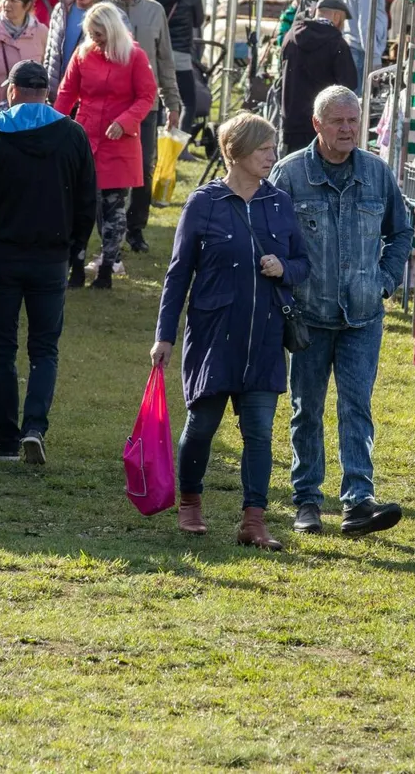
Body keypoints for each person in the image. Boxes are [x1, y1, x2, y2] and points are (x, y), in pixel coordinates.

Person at [152, 112, 308, 549]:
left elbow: (302, 263)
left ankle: (253, 522)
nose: (271, 157)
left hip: (263, 339)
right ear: (235, 153)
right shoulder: (204, 203)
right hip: (213, 336)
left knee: (259, 430)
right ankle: (190, 506)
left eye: (272, 149)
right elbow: (178, 273)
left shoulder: (278, 202)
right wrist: (165, 335)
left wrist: (284, 268)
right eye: (263, 150)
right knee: (202, 425)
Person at [270, 86, 412, 536]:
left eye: (353, 120)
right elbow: (269, 239)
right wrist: (284, 294)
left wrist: (385, 281)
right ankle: (307, 501)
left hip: (363, 317)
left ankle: (358, 501)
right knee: (305, 409)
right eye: (337, 121)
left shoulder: (376, 173)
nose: (348, 128)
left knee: (357, 406)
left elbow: (402, 233)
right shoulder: (289, 175)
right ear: (317, 125)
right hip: (308, 318)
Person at [0, 60, 96, 464]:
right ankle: (34, 427)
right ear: (47, 92)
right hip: (50, 257)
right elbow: (87, 201)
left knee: (0, 349)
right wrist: (73, 248)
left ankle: (5, 438)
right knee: (44, 349)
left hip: (0, 255)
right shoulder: (72, 134)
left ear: (12, 91)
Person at [53, 2, 158, 289]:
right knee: (80, 206)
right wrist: (55, 126)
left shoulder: (134, 56)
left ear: (112, 30)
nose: (95, 39)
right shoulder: (83, 54)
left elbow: (147, 96)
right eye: (91, 34)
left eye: (99, 34)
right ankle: (75, 265)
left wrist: (125, 121)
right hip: (87, 138)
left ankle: (106, 269)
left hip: (119, 142)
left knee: (114, 210)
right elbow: (66, 93)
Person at [105, 0, 180, 252]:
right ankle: (110, 227)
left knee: (143, 170)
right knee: (109, 170)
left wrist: (173, 102)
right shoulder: (102, 9)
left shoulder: (154, 10)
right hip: (110, 105)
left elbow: (165, 60)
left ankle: (136, 229)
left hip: (146, 107)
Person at [277, 0, 357, 156]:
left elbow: (281, 73)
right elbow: (348, 86)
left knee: (290, 175)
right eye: (343, 20)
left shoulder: (291, 37)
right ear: (336, 16)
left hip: (290, 122)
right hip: (322, 126)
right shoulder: (338, 44)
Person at [149, 0, 205, 140]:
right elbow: (198, 21)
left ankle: (155, 141)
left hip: (156, 51)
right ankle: (179, 145)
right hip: (180, 52)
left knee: (154, 99)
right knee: (188, 101)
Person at [43, 0, 106, 99]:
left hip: (88, 100)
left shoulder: (109, 17)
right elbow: (50, 53)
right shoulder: (61, 10)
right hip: (56, 97)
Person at [338, 0, 387, 95]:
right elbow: (366, 26)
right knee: (357, 104)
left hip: (352, 48)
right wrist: (374, 58)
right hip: (361, 52)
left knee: (351, 101)